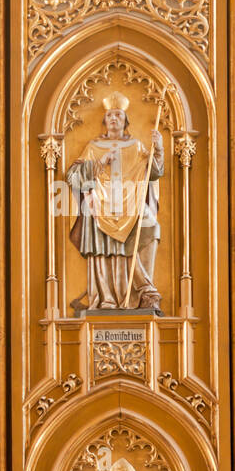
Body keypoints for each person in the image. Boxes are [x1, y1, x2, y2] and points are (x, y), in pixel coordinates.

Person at [67, 92, 165, 312]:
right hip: (100, 207)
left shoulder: (136, 146)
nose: (114, 118)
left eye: (118, 115)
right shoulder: (94, 146)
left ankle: (143, 291)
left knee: (151, 228)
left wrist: (158, 148)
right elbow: (73, 176)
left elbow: (154, 172)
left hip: (129, 206)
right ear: (105, 120)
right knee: (101, 242)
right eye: (110, 115)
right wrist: (98, 163)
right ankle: (106, 298)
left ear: (125, 120)